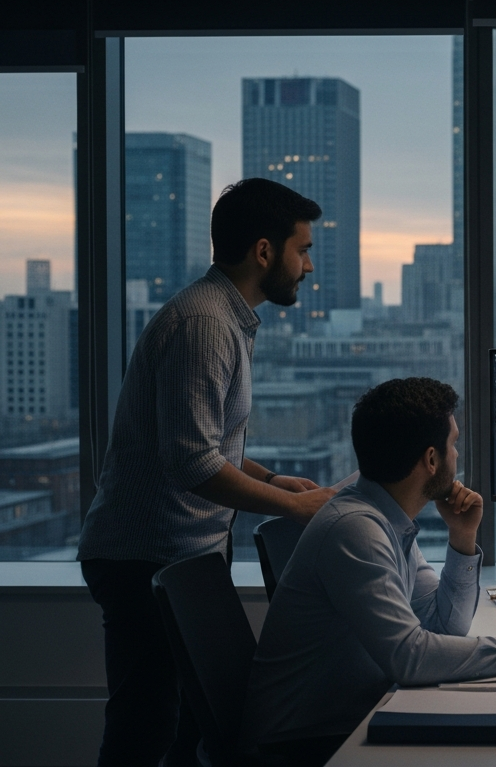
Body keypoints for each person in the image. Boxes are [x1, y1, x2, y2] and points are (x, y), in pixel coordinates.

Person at [77, 178, 337, 767]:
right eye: (302, 250)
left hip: (179, 554)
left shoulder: (226, 318)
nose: (309, 266)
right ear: (264, 251)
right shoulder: (205, 324)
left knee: (191, 733)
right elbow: (191, 462)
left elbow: (206, 444)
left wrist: (270, 481)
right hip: (145, 557)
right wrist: (295, 507)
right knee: (146, 730)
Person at [241, 378, 496, 764]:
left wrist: (462, 537)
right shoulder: (354, 530)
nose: (456, 455)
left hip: (348, 721)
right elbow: (409, 658)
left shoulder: (385, 519)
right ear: (431, 459)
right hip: (305, 745)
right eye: (453, 443)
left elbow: (444, 627)